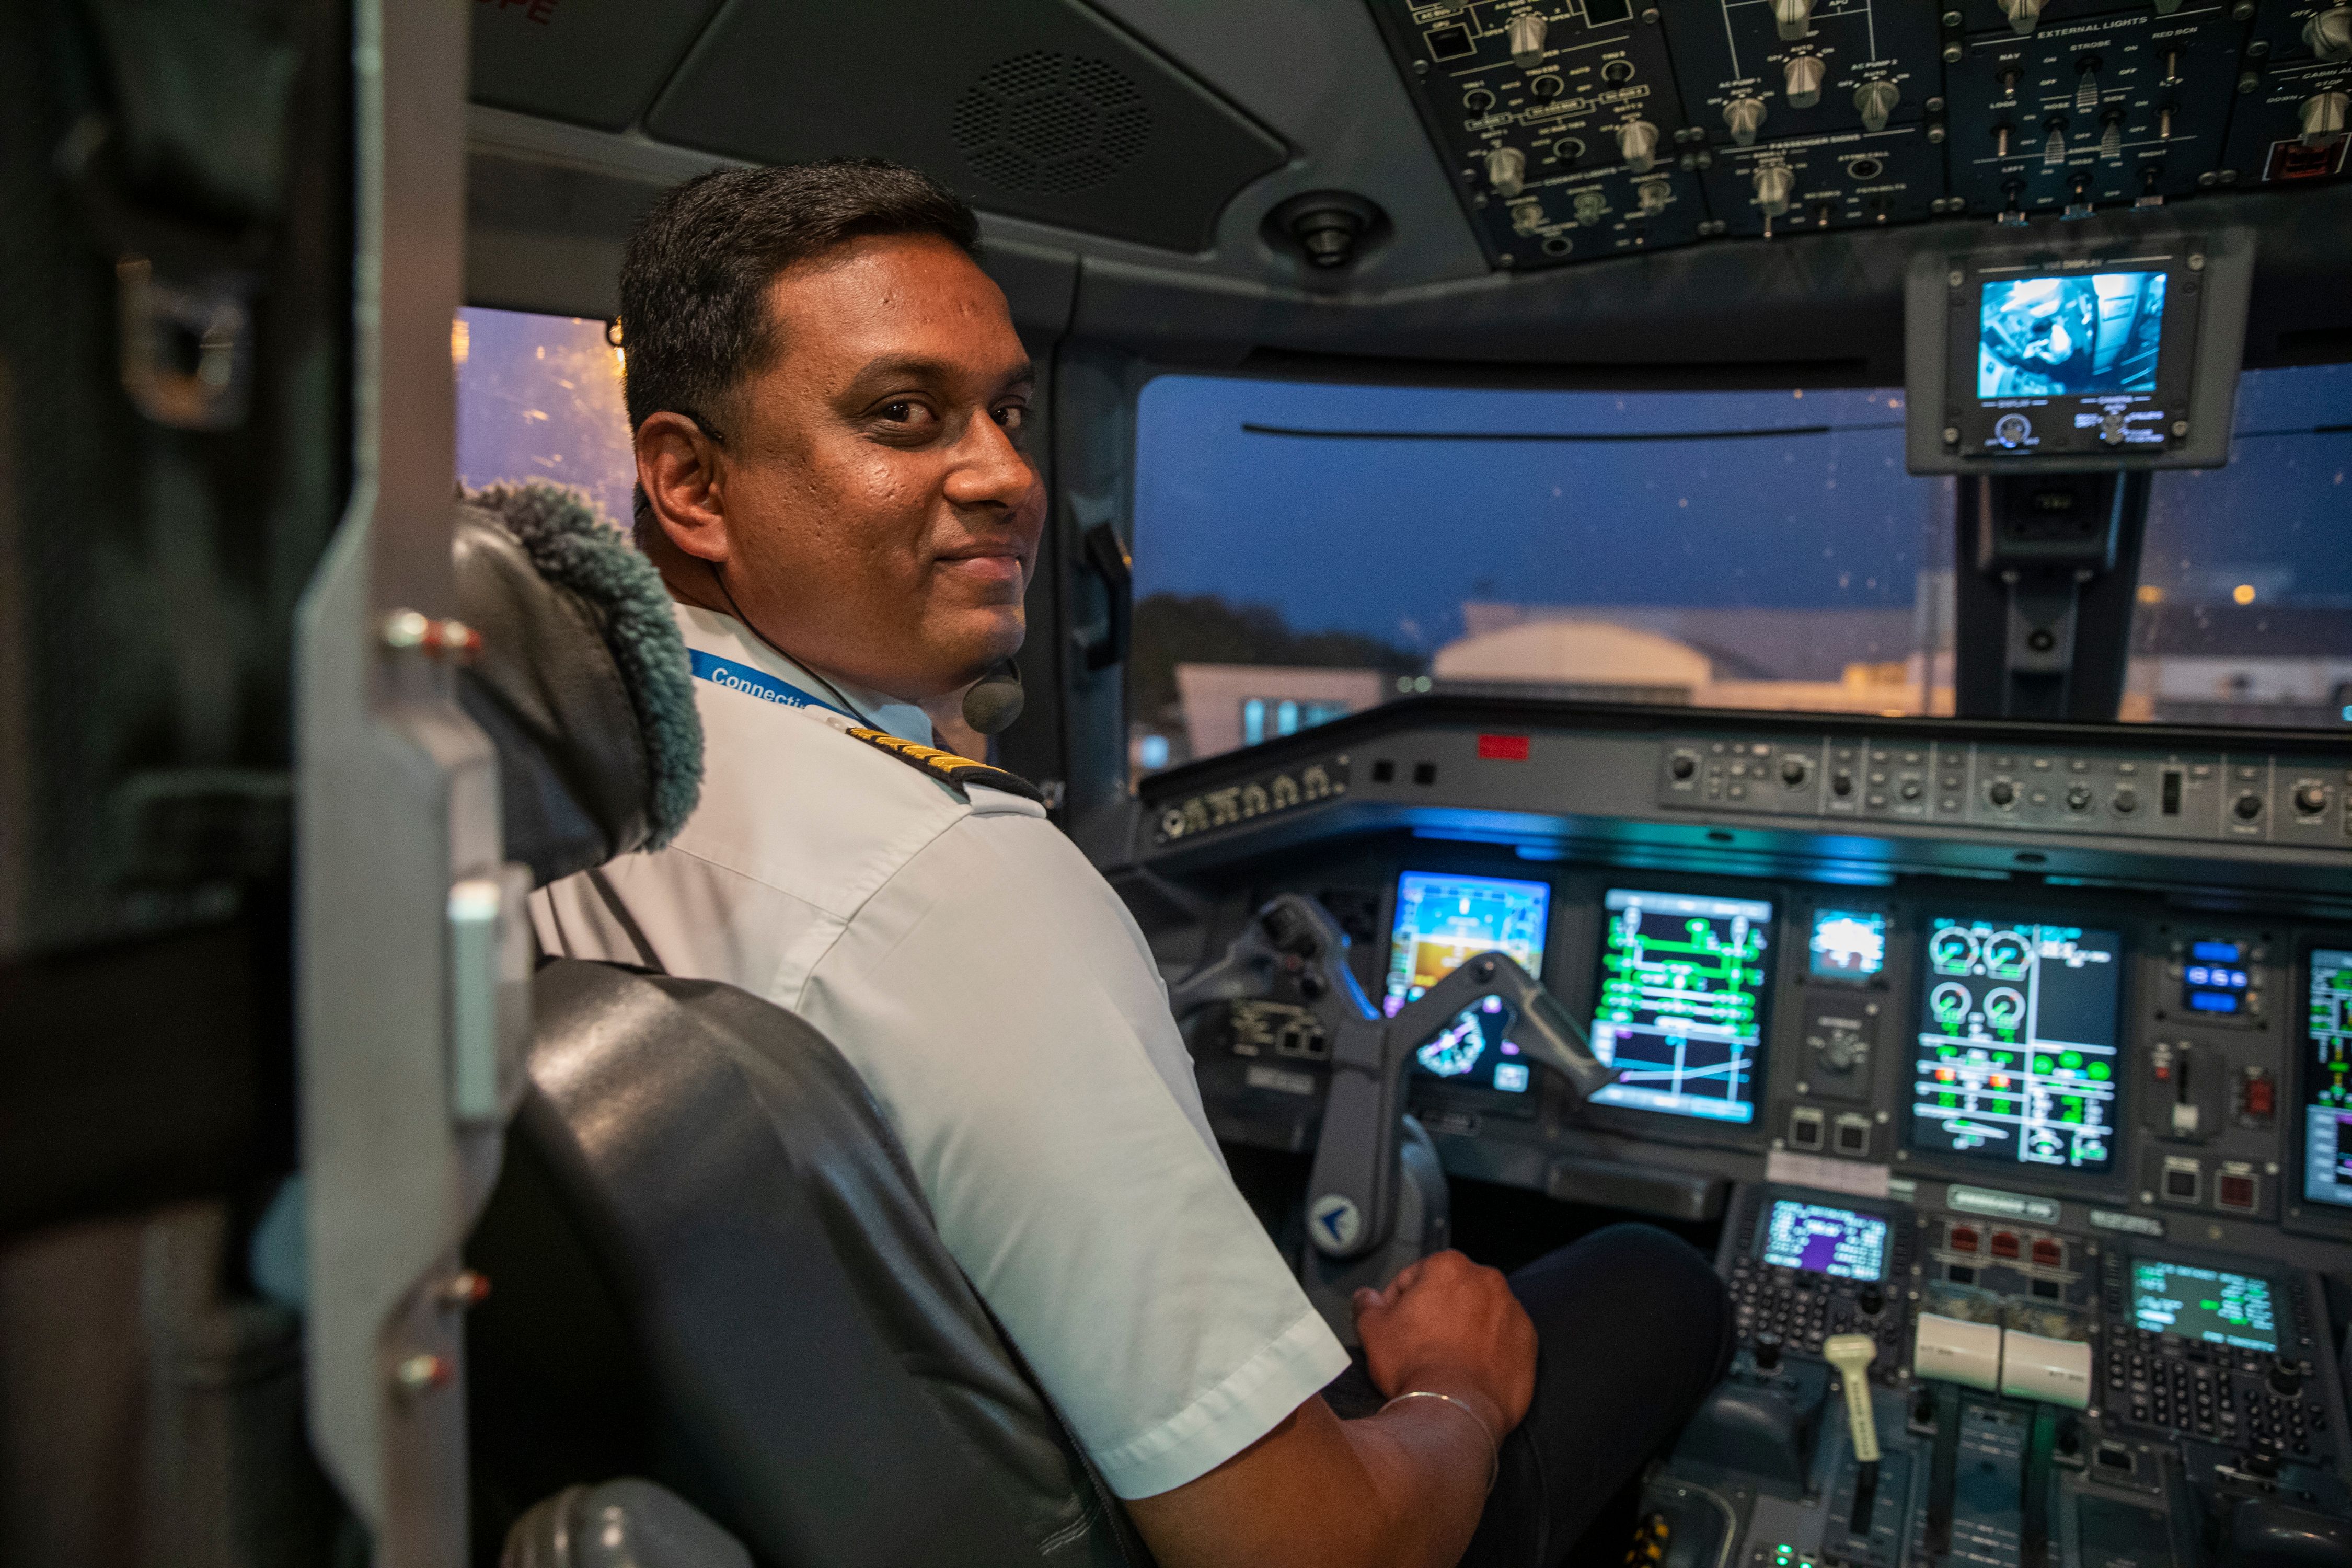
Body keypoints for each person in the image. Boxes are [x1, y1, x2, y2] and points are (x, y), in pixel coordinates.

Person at [531, 158, 1729, 1568]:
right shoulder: (948, 881)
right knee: (1653, 1279)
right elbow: (1308, 1554)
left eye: (1007, 412)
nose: (1005, 476)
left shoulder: (551, 781)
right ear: (690, 483)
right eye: (901, 415)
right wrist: (1452, 1386)